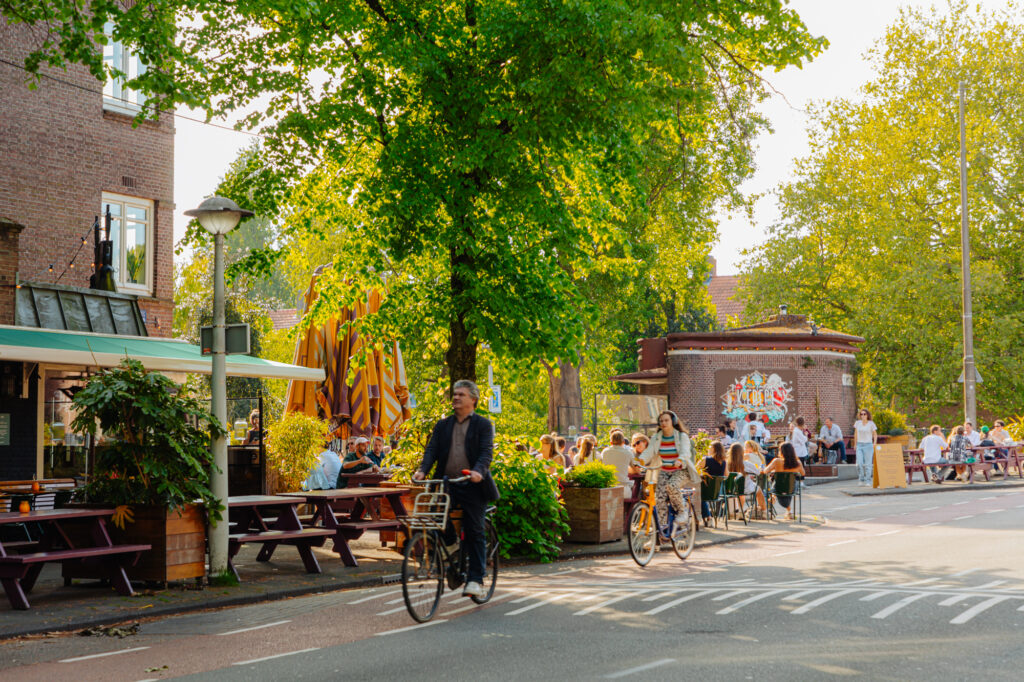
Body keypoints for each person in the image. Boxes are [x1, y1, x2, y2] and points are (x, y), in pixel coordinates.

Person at [413, 379, 499, 599]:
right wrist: (423, 470)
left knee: (475, 529)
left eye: (461, 394)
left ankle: (475, 579)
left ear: (473, 400)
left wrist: (479, 471)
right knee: (435, 517)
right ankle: (452, 547)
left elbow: (485, 453)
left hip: (473, 484)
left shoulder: (482, 424)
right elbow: (432, 450)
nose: (456, 397)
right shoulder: (443, 425)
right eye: (454, 394)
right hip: (447, 483)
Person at [639, 410, 701, 532]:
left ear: (673, 421)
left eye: (666, 420)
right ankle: (662, 528)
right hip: (664, 470)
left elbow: (685, 452)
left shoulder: (681, 436)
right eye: (661, 421)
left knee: (672, 486)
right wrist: (640, 461)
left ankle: (682, 511)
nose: (663, 423)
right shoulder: (657, 437)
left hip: (681, 470)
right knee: (659, 498)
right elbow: (649, 451)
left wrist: (680, 460)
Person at [763, 442, 805, 519]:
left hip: (778, 487)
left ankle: (771, 501)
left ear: (781, 451)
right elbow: (803, 473)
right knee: (788, 483)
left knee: (772, 487)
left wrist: (775, 471)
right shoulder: (797, 462)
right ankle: (788, 511)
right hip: (791, 487)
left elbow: (765, 471)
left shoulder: (776, 461)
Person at [701, 441, 727, 522]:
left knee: (696, 494)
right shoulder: (724, 462)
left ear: (713, 449)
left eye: (709, 447)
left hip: (705, 492)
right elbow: (726, 476)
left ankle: (707, 516)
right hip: (717, 493)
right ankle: (708, 516)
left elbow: (695, 470)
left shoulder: (705, 459)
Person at [853, 409, 878, 487]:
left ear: (867, 415)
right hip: (859, 445)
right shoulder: (857, 423)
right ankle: (861, 479)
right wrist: (855, 444)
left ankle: (868, 480)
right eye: (861, 414)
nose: (863, 416)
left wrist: (874, 443)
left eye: (864, 414)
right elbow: (856, 434)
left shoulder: (871, 424)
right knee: (859, 463)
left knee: (868, 464)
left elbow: (875, 434)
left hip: (868, 445)